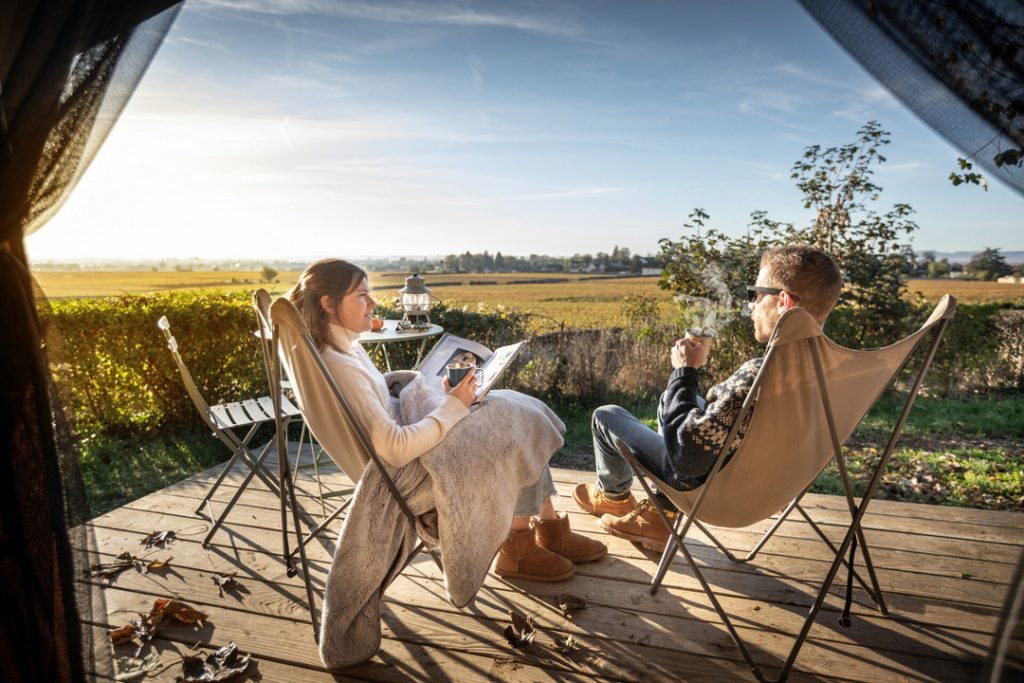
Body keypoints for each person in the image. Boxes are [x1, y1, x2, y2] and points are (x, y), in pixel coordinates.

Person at [288, 258, 606, 581]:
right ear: (328, 302)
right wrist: (451, 406)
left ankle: (551, 529)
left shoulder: (346, 350)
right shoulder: (341, 366)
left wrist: (439, 399)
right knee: (511, 423)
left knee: (513, 408)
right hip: (411, 474)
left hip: (418, 444)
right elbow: (394, 449)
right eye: (361, 295)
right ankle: (518, 547)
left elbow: (381, 405)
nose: (372, 303)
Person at [573, 245, 843, 551]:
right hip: (771, 492)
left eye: (755, 295)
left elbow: (686, 458)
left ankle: (615, 499)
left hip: (714, 492)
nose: (751, 306)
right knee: (672, 401)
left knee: (606, 415)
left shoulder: (759, 376)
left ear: (782, 302)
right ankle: (657, 518)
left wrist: (685, 370)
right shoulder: (835, 373)